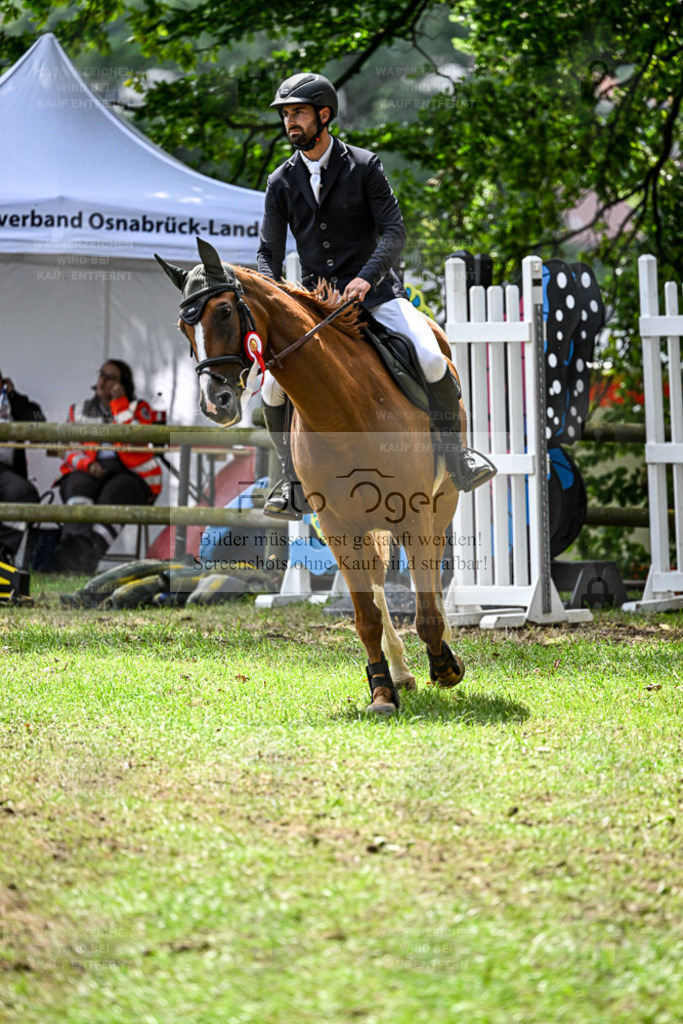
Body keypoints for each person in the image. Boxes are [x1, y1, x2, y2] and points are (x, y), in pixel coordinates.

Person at [256, 72, 496, 519]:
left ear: (323, 115)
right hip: (319, 308)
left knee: (430, 356)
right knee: (272, 388)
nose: (290, 122)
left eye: (298, 113)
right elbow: (267, 254)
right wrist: (279, 297)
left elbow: (394, 231)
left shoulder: (364, 166)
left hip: (377, 296)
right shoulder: (281, 181)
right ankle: (290, 481)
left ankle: (456, 456)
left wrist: (366, 277)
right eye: (286, 114)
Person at [54, 360, 163, 574]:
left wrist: (119, 403)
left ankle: (87, 557)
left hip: (131, 474)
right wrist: (87, 465)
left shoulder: (139, 408)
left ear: (123, 384)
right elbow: (67, 449)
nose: (103, 381)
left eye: (111, 378)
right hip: (91, 468)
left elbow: (136, 440)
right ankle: (75, 552)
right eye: (101, 375)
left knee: (116, 491)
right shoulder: (79, 410)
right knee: (77, 484)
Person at [0, 370, 45, 563]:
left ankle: (3, 551)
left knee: (24, 494)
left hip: (5, 472)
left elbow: (39, 420)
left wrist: (13, 395)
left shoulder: (11, 403)